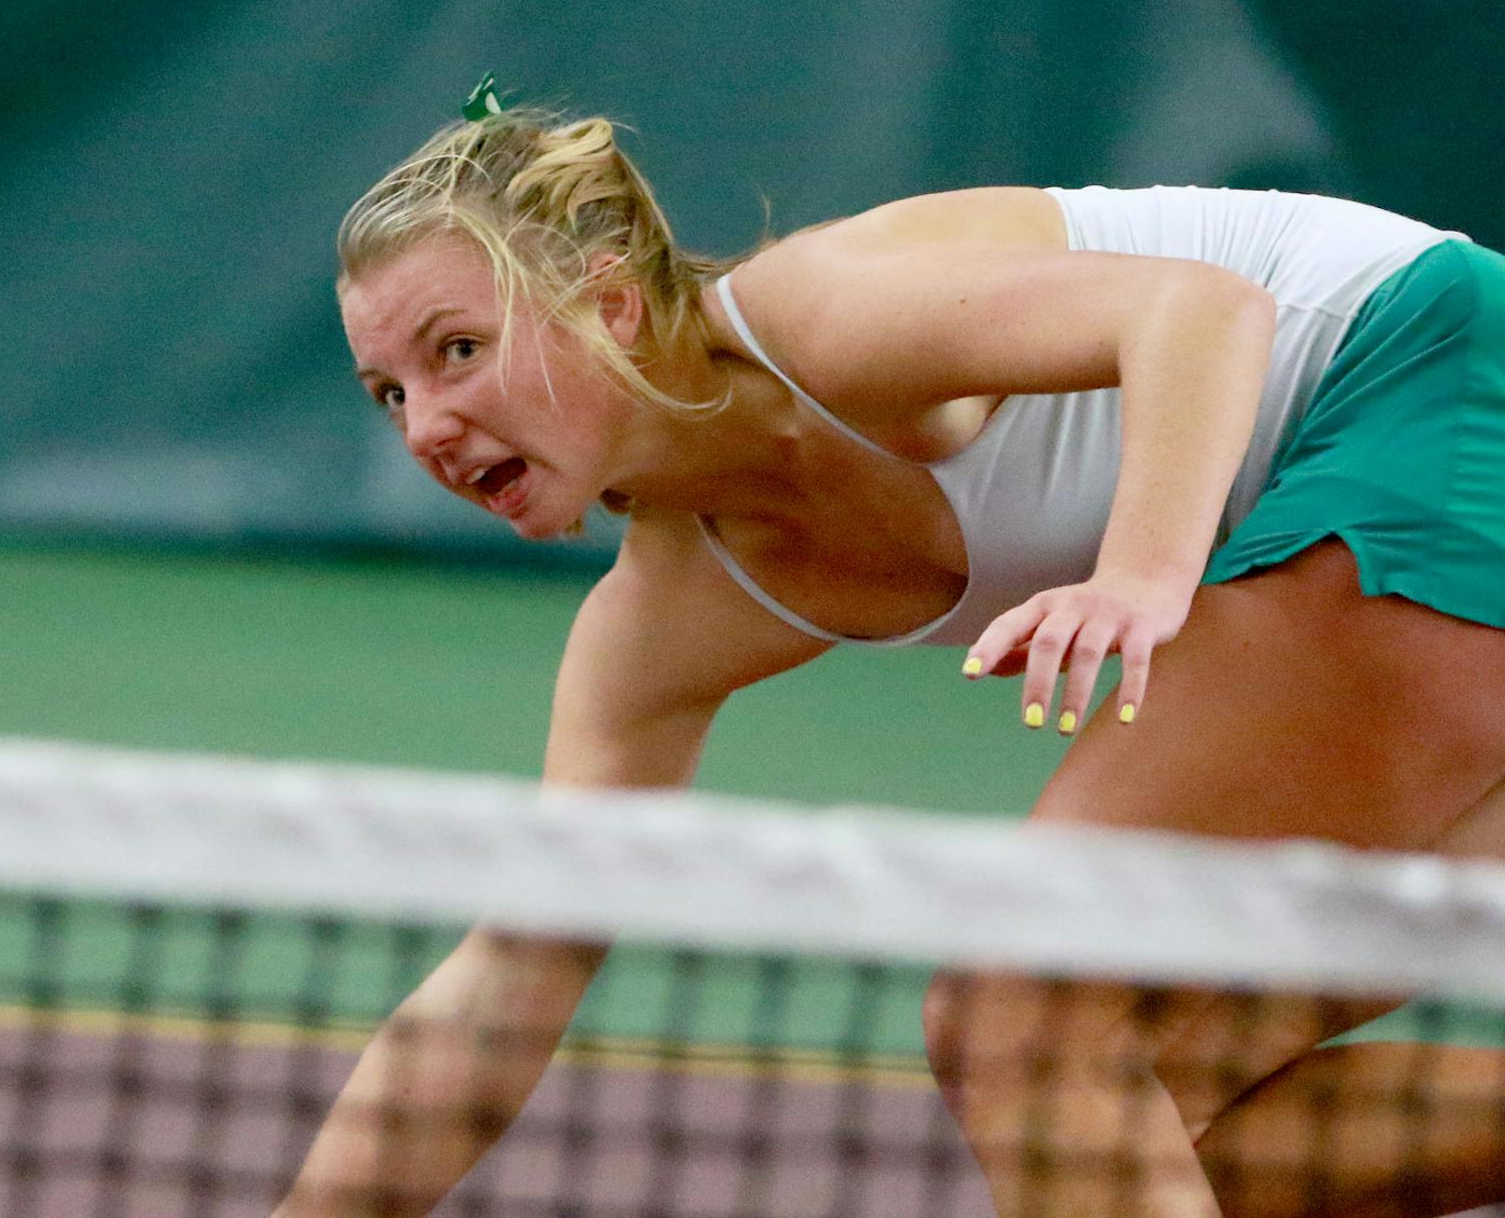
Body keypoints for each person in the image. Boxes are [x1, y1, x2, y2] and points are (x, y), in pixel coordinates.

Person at [275, 88, 1505, 1218]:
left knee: (1025, 1024)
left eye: (456, 351)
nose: (427, 427)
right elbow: (516, 971)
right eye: (388, 392)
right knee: (1130, 1124)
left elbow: (1199, 308)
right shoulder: (663, 623)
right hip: (1411, 498)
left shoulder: (823, 319)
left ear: (609, 304)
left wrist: (1140, 573)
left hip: (1433, 387)